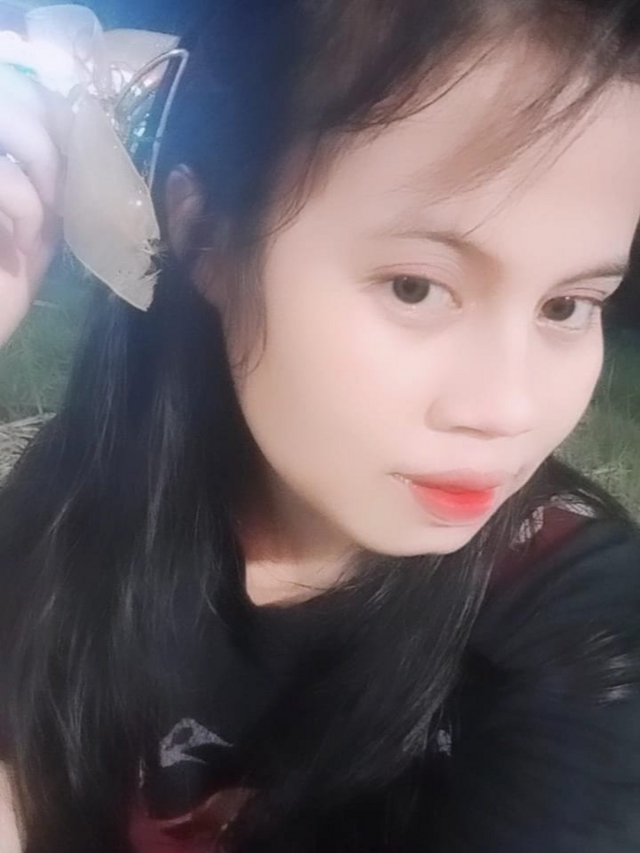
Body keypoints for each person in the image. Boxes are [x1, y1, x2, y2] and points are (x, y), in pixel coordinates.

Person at [1, 0, 640, 850]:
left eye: (568, 305)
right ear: (205, 235)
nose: (510, 411)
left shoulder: (580, 632)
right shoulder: (89, 490)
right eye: (416, 287)